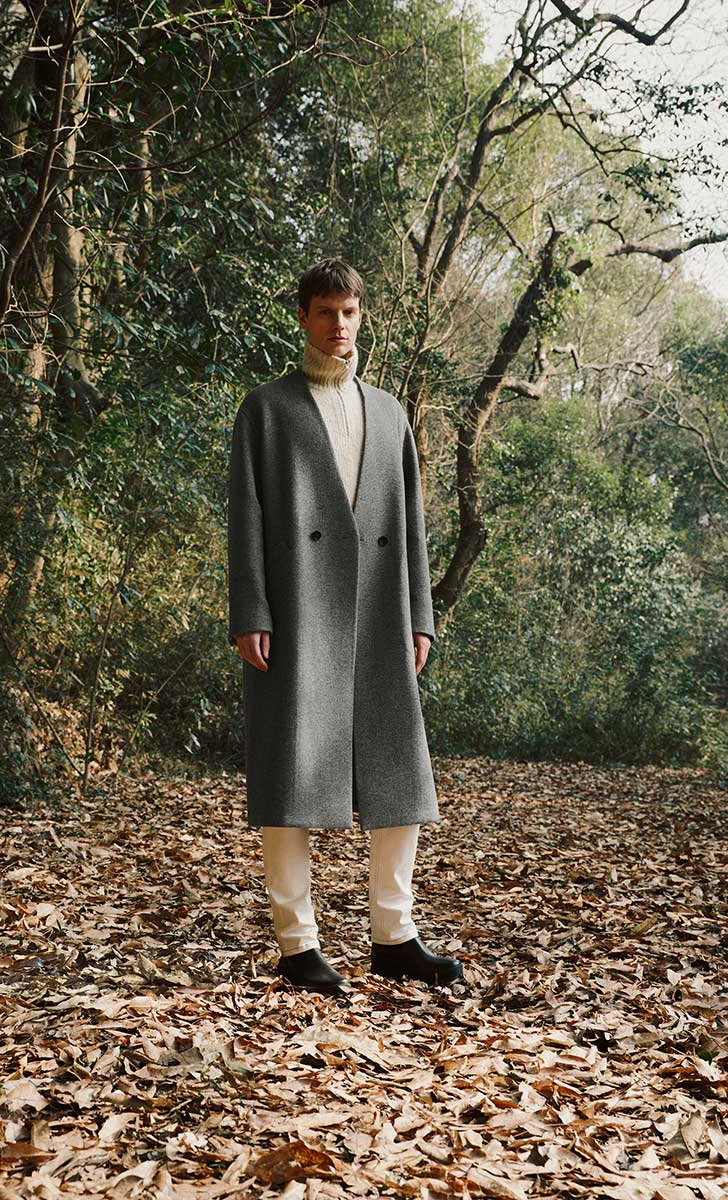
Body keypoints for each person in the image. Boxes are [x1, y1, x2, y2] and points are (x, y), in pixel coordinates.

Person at [228, 258, 462, 994]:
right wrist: (250, 610)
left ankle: (394, 934)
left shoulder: (391, 412)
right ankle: (297, 944)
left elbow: (413, 525)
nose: (338, 325)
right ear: (303, 317)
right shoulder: (265, 409)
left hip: (381, 614)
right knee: (291, 772)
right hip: (295, 611)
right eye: (325, 312)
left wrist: (420, 614)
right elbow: (246, 518)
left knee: (399, 775)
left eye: (350, 312)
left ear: (364, 316)